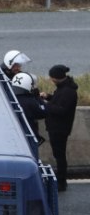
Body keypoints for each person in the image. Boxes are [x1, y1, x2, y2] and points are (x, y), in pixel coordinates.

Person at [40, 64, 78, 192]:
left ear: (56, 78)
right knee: (59, 155)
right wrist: (48, 97)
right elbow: (58, 102)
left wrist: (45, 105)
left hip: (59, 128)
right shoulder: (64, 89)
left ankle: (61, 182)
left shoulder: (68, 92)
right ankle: (61, 180)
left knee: (60, 156)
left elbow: (62, 110)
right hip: (57, 127)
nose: (51, 79)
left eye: (51, 77)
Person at [10, 73, 46, 144]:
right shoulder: (30, 101)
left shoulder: (8, 97)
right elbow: (43, 113)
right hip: (29, 134)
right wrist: (38, 97)